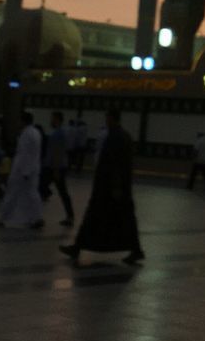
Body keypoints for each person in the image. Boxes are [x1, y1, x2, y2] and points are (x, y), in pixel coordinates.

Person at [60, 108, 144, 265]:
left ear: (112, 118)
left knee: (98, 217)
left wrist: (116, 186)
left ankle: (78, 247)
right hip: (114, 188)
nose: (106, 121)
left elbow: (117, 164)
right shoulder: (121, 136)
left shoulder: (116, 137)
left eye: (107, 118)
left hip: (109, 188)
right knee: (123, 219)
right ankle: (135, 250)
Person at [0, 112, 44, 230]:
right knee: (31, 194)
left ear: (23, 121)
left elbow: (25, 154)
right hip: (31, 169)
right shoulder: (35, 132)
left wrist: (25, 172)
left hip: (22, 171)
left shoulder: (27, 134)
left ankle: (3, 219)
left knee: (12, 194)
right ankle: (36, 218)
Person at [44, 112, 75, 227]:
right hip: (55, 167)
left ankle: (70, 216)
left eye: (52, 118)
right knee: (62, 191)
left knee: (60, 191)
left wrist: (56, 169)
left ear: (57, 119)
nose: (50, 120)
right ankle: (70, 216)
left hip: (55, 168)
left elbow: (58, 152)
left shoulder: (58, 133)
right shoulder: (59, 132)